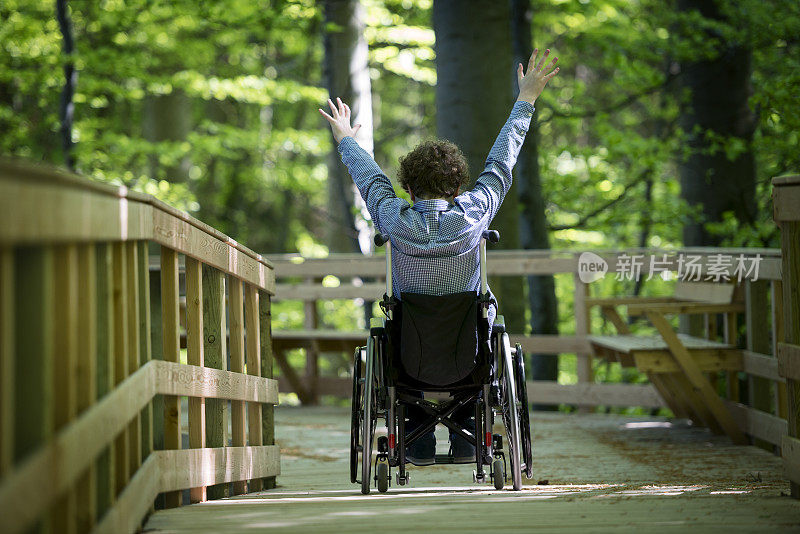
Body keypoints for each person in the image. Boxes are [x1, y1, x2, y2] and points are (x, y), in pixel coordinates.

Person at [320, 48, 559, 466]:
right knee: (480, 330)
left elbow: (370, 179)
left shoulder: (394, 218)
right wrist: (527, 100)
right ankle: (469, 442)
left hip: (410, 359)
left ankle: (417, 443)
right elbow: (502, 161)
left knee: (396, 335)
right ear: (457, 188)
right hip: (468, 355)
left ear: (409, 190)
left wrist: (346, 140)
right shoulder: (474, 212)